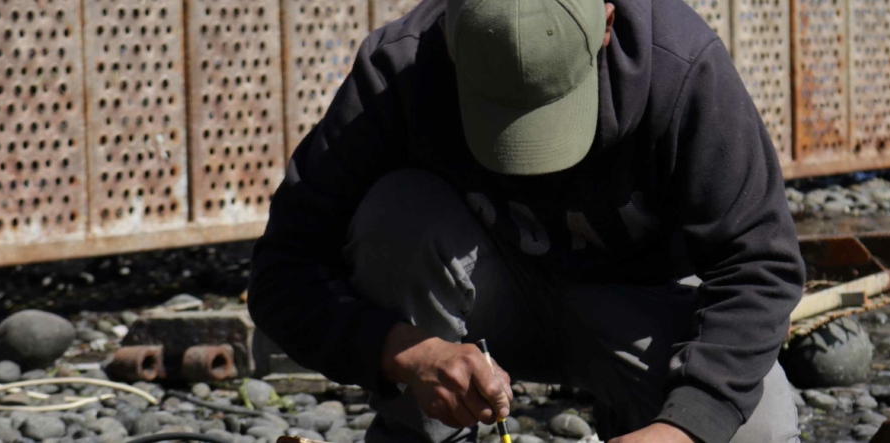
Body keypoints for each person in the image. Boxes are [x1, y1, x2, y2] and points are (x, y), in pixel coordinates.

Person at [247, 0, 804, 440]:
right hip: (481, 308)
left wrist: (681, 429)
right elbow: (281, 272)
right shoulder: (398, 71)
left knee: (759, 426)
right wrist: (408, 353)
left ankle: (638, 415)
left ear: (606, 25)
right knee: (397, 215)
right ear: (451, 42)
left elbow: (761, 266)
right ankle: (422, 432)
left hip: (635, 313)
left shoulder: (680, 67)